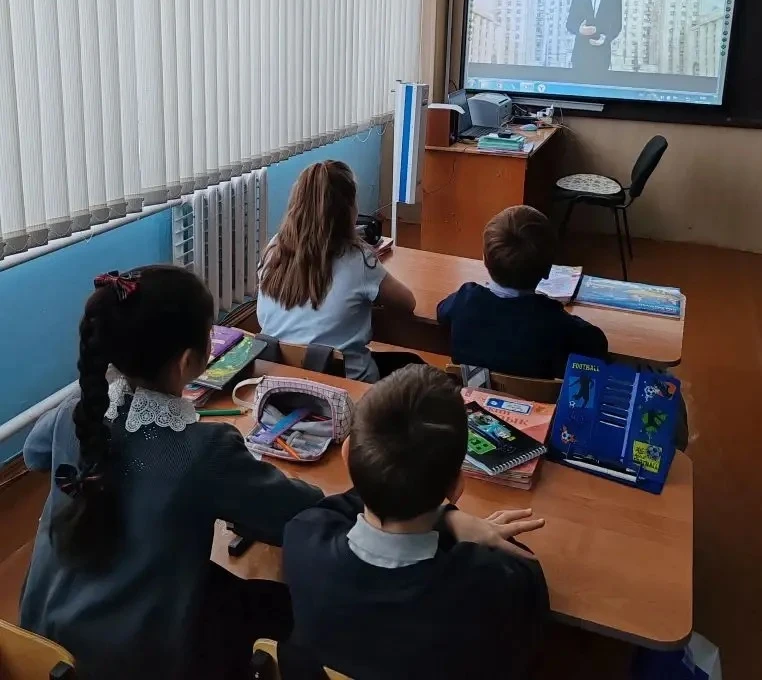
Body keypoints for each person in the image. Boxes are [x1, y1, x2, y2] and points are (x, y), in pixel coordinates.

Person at [20, 265, 324, 680]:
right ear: (187, 362)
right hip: (129, 666)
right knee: (284, 605)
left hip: (38, 646)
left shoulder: (75, 415)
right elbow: (299, 514)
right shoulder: (204, 451)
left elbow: (34, 455)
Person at [283, 365, 548, 680]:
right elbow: (528, 575)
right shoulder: (493, 586)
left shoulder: (303, 536)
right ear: (456, 487)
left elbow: (340, 505)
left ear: (347, 455)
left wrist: (445, 516)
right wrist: (449, 519)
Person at [258, 160, 416, 381]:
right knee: (414, 367)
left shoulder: (274, 249)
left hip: (280, 382)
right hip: (346, 388)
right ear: (349, 210)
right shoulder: (358, 259)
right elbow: (407, 303)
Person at [437, 206, 608, 379]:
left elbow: (441, 311)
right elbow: (598, 344)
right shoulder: (555, 322)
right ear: (548, 270)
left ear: (485, 260)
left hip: (470, 395)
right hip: (535, 398)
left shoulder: (465, 299)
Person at [566, 0, 623, 78]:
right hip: (580, 55)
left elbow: (617, 25)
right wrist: (580, 29)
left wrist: (605, 38)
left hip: (602, 56)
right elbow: (570, 24)